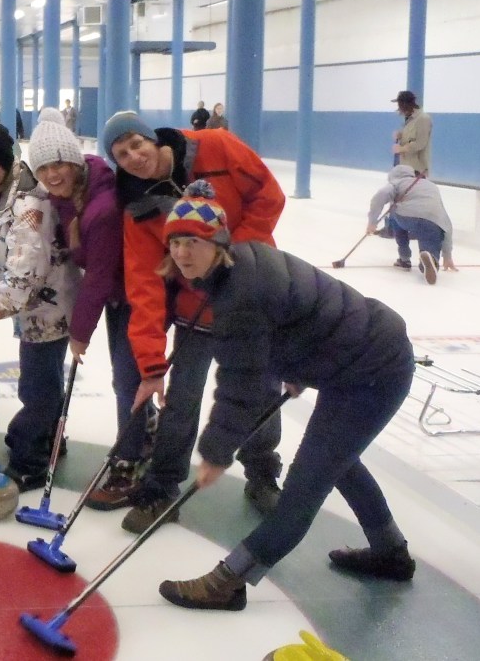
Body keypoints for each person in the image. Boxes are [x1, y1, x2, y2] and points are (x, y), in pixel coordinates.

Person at [156, 181, 417, 611]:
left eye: (194, 242)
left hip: (374, 370)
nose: (183, 253)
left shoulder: (240, 291)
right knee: (339, 461)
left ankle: (230, 581)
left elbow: (240, 383)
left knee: (304, 485)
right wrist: (295, 368)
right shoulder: (238, 269)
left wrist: (216, 453)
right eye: (176, 242)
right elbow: (297, 316)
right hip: (358, 360)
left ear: (218, 242)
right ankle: (390, 553)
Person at [100, 110, 285, 533]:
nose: (133, 157)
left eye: (136, 144)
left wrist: (236, 256)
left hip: (252, 291)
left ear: (153, 139)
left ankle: (262, 474)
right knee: (181, 399)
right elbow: (145, 285)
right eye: (121, 154)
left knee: (259, 389)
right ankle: (161, 488)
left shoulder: (216, 146)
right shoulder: (139, 208)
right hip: (194, 305)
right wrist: (150, 363)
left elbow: (268, 195)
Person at [28, 112, 142, 510]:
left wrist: (79, 335)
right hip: (116, 295)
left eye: (57, 163)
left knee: (128, 380)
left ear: (74, 159)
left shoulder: (102, 208)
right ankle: (146, 430)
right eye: (42, 167)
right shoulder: (66, 196)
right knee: (128, 379)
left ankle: (130, 462)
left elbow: (97, 277)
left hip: (136, 297)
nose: (51, 174)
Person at [0, 122, 79, 490]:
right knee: (44, 382)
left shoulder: (31, 205)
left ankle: (29, 458)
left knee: (37, 389)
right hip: (37, 310)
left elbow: (22, 283)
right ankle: (50, 439)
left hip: (49, 309)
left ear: (7, 162)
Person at [368, 165, 456, 281]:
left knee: (394, 213)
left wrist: (372, 222)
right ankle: (430, 259)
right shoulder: (431, 185)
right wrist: (447, 255)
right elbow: (446, 223)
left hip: (406, 217)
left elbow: (380, 196)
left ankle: (404, 258)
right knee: (431, 239)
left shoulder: (397, 182)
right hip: (433, 219)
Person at [392, 90, 431, 176]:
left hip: (417, 169)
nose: (399, 108)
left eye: (400, 105)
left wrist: (402, 149)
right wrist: (401, 135)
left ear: (406, 104)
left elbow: (421, 143)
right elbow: (411, 136)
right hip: (405, 166)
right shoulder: (409, 118)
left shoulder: (423, 119)